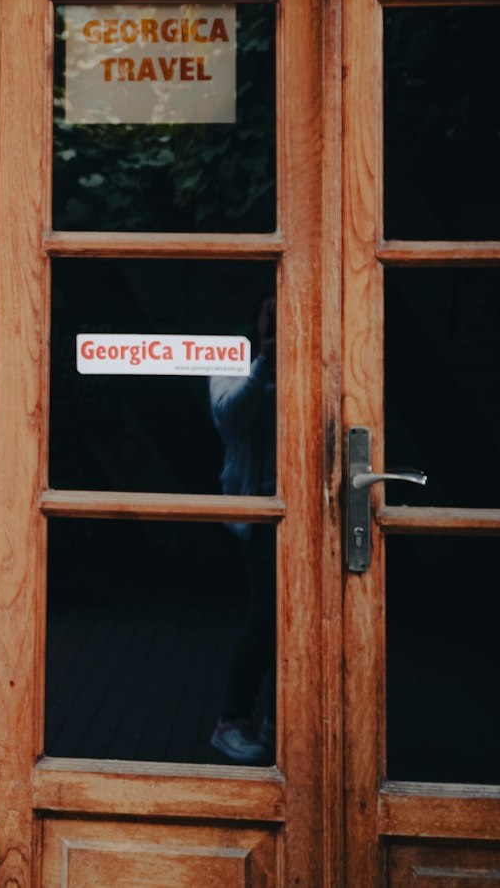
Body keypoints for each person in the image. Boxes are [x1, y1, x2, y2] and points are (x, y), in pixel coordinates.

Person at [208, 297, 276, 765]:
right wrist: (265, 362)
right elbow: (229, 415)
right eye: (269, 309)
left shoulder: (312, 348)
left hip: (314, 506)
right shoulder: (231, 356)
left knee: (302, 618)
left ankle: (278, 717)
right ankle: (232, 720)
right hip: (263, 510)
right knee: (266, 613)